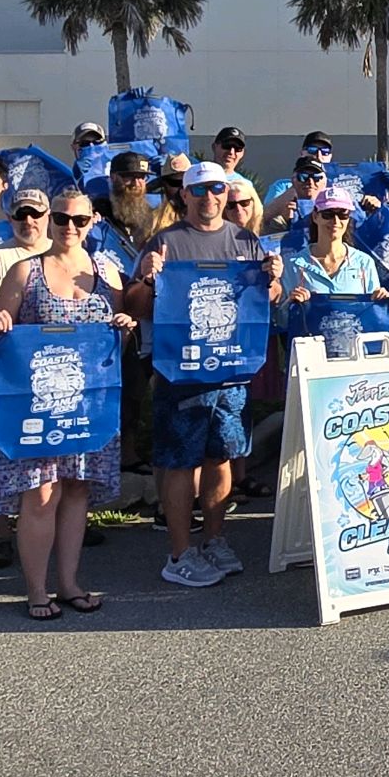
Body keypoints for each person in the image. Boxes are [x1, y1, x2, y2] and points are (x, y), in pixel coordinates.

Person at [0, 191, 135, 615]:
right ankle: (36, 590)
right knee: (41, 494)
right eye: (63, 219)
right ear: (50, 220)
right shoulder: (24, 271)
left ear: (93, 221)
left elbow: (112, 346)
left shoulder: (109, 273)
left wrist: (123, 327)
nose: (70, 227)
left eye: (80, 220)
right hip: (37, 407)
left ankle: (69, 583)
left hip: (88, 406)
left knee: (76, 492)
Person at [134, 163, 281, 589]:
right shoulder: (165, 242)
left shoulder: (246, 241)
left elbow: (268, 300)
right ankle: (180, 553)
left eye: (217, 188)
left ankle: (215, 540)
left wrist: (274, 280)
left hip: (231, 373)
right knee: (181, 464)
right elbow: (139, 305)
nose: (209, 196)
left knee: (220, 458)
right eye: (198, 189)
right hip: (182, 375)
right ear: (184, 194)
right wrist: (148, 278)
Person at [284, 186, 389, 305]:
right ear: (315, 216)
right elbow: (282, 318)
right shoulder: (294, 264)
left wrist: (381, 300)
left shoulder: (364, 263)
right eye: (328, 214)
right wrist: (291, 303)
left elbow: (373, 315)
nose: (335, 221)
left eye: (343, 214)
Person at [0, 188, 52, 300]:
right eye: (20, 215)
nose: (28, 221)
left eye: (35, 213)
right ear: (10, 218)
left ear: (48, 215)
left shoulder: (66, 252)